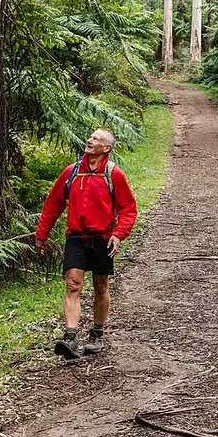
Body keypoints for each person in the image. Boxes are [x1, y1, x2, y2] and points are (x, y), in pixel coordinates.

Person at [35, 128, 137, 359]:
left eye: (96, 139)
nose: (90, 140)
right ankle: (70, 338)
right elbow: (53, 204)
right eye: (90, 137)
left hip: (102, 238)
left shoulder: (114, 175)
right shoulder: (71, 173)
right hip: (76, 237)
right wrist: (42, 234)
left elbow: (129, 209)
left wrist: (119, 234)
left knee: (101, 286)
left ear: (107, 148)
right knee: (73, 285)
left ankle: (97, 333)